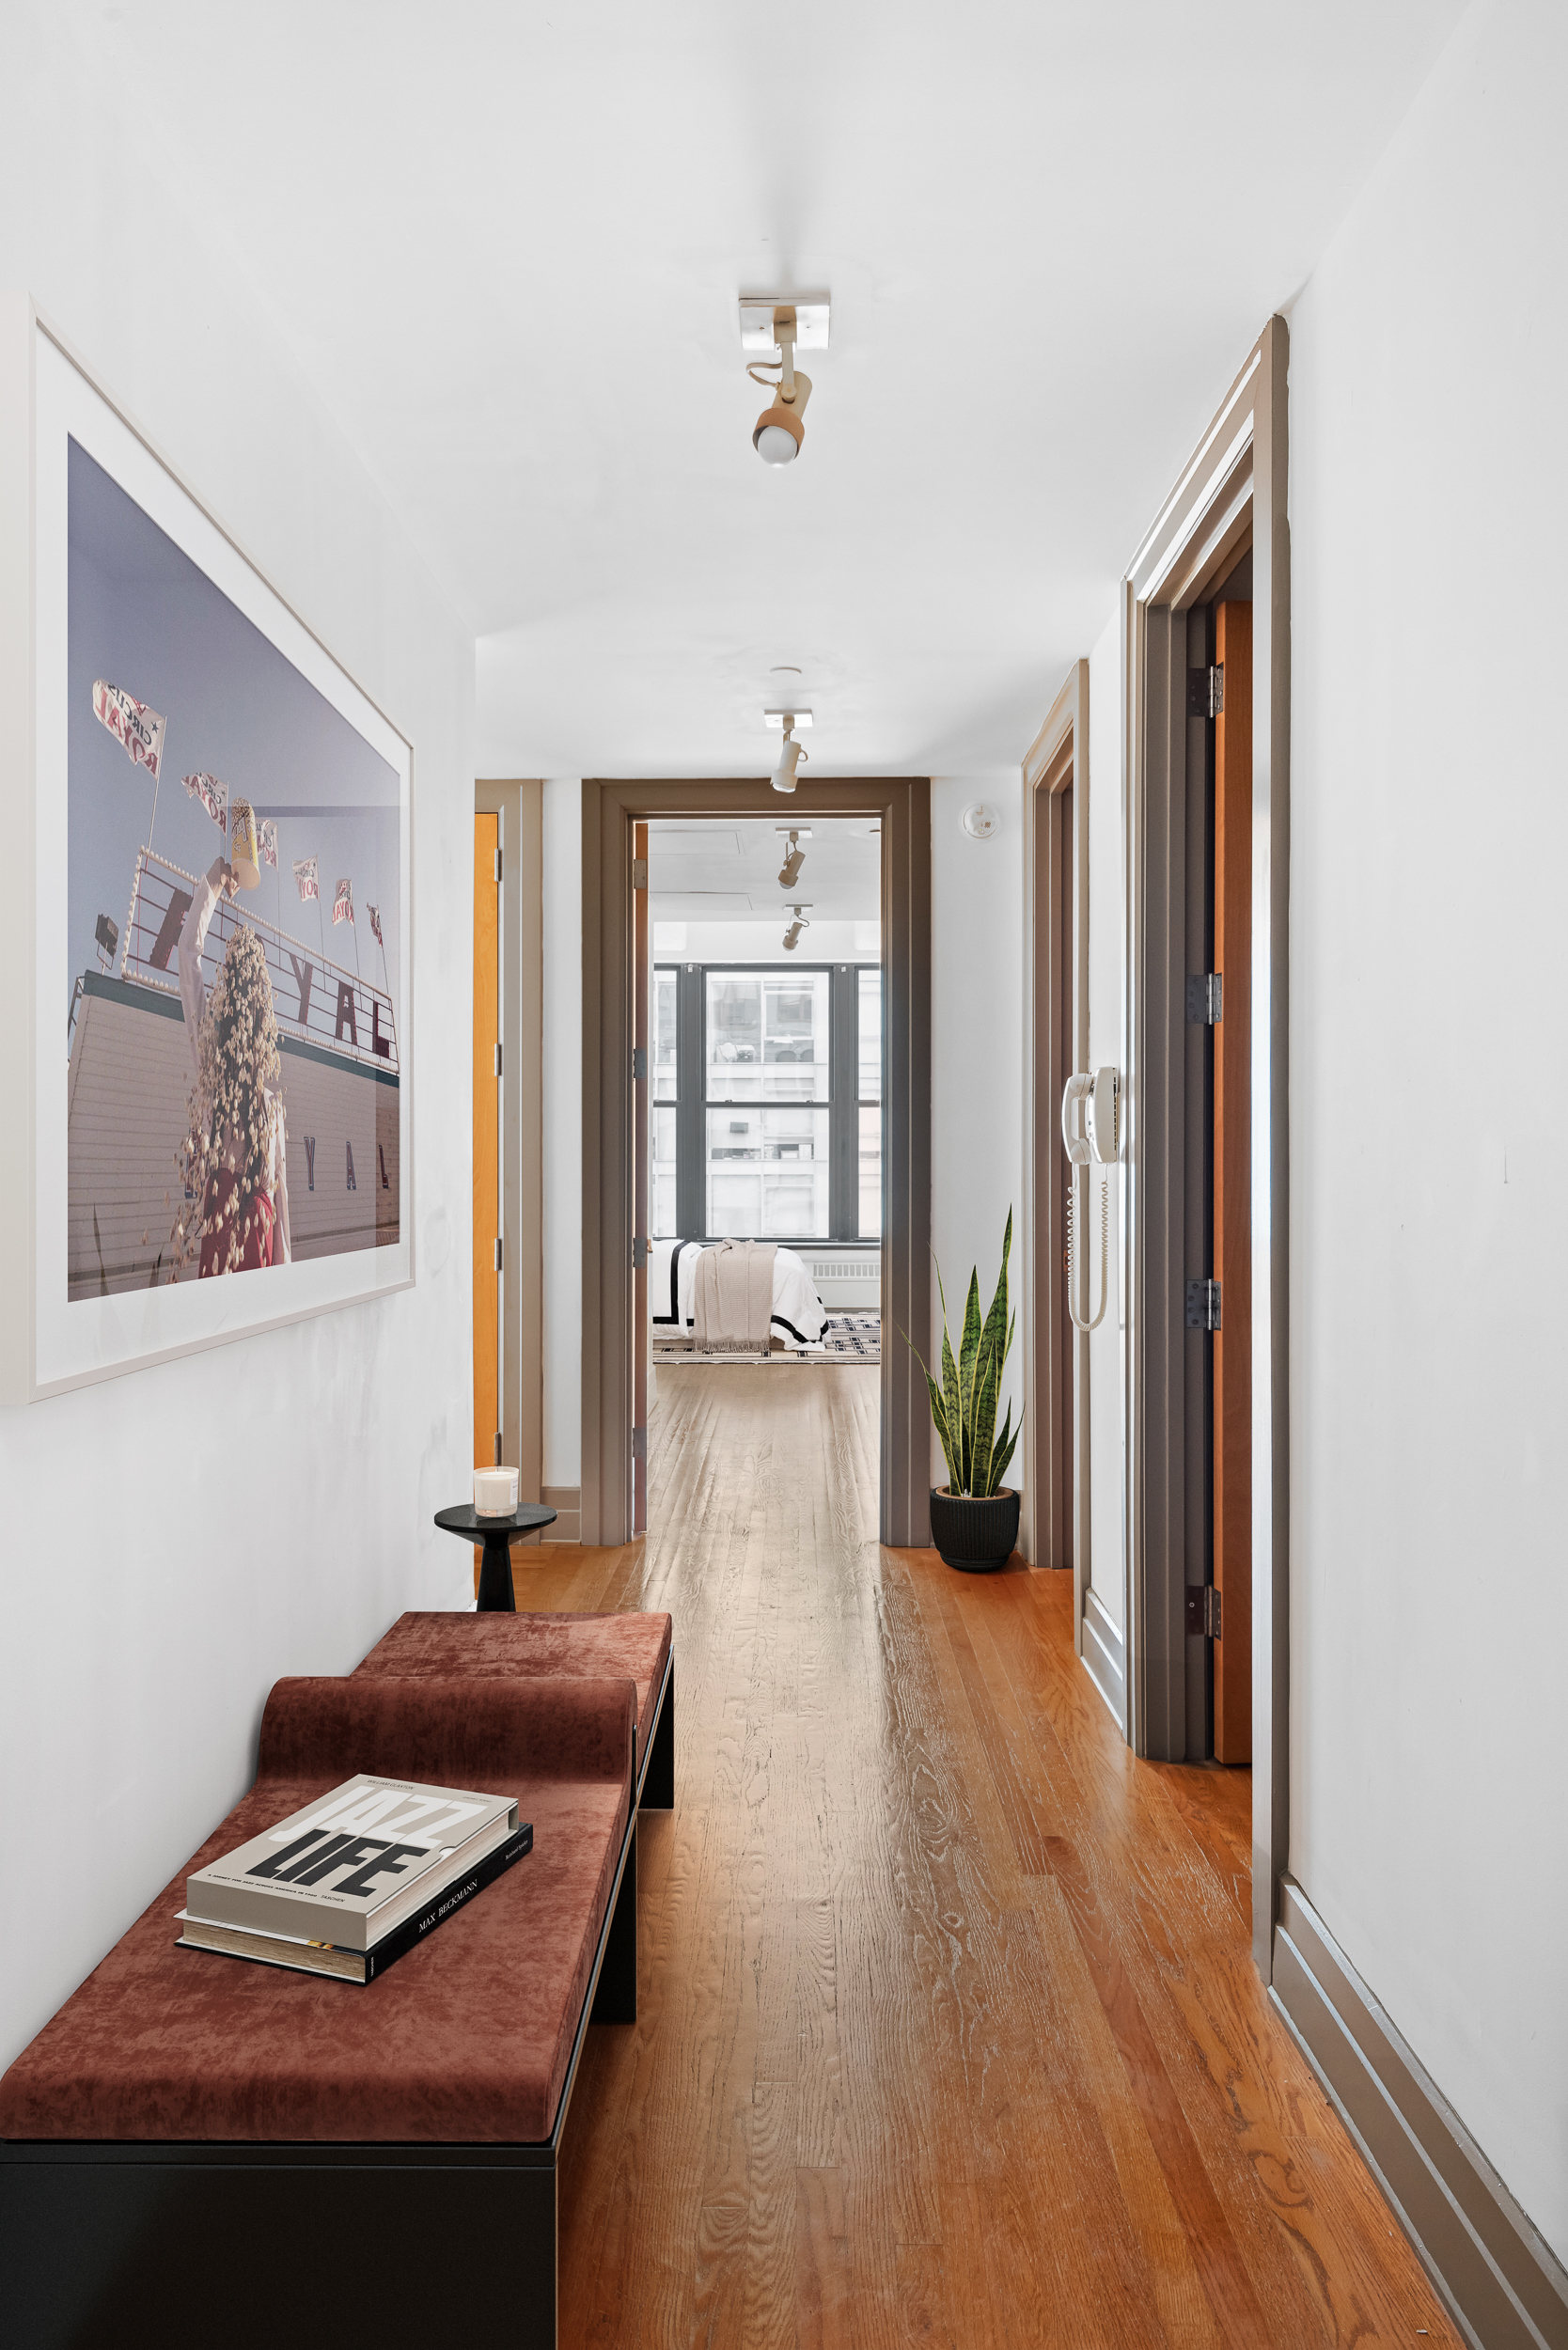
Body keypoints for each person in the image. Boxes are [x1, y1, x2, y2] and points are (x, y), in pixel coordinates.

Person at [172, 856, 292, 1276]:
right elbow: (281, 1213)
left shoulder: (210, 1065)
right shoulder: (270, 1108)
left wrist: (213, 885)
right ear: (264, 1019)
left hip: (227, 1254)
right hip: (257, 1256)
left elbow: (188, 955)